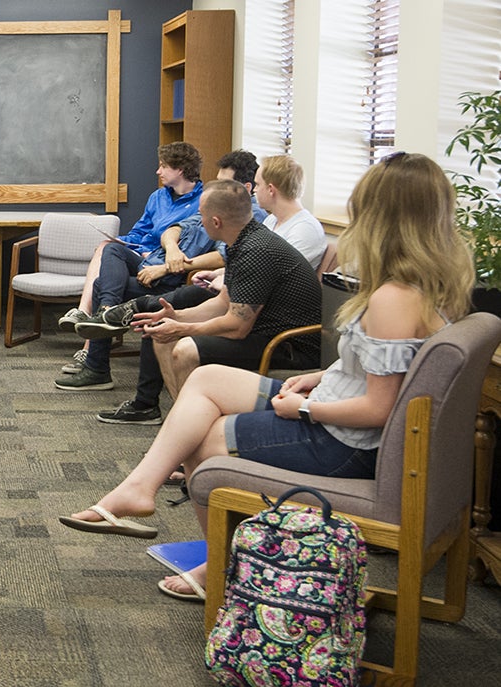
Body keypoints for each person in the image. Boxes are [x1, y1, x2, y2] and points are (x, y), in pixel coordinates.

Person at [57, 152, 474, 601]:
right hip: (330, 401)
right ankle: (141, 487)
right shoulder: (432, 287)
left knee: (203, 439)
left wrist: (307, 407)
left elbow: (380, 407)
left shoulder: (394, 298)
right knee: (207, 379)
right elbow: (378, 370)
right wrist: (319, 376)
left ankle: (217, 561)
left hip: (340, 438)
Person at [58, 150, 259, 388]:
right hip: (157, 261)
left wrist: (167, 267)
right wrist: (172, 248)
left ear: (246, 188)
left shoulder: (244, 217)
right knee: (111, 250)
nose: (216, 189)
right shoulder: (206, 203)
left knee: (104, 285)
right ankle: (106, 312)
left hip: (180, 278)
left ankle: (98, 362)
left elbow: (222, 256)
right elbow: (173, 229)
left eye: (225, 183)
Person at [256, 154, 327, 270]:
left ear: (270, 189)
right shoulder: (271, 220)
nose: (255, 190)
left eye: (258, 185)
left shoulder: (305, 229)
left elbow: (270, 273)